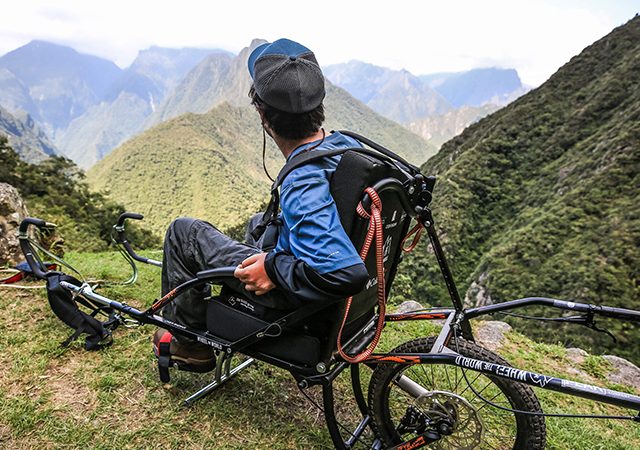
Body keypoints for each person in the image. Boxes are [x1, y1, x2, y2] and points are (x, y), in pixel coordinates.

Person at [153, 39, 369, 369]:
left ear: (262, 116)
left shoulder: (302, 181)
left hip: (294, 302)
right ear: (318, 105)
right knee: (259, 222)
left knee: (184, 233)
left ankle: (188, 343)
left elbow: (345, 273)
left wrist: (272, 268)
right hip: (318, 285)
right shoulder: (347, 145)